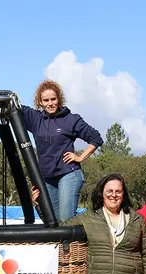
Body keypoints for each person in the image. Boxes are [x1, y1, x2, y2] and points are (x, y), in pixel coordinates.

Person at [21, 80, 104, 222]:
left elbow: (96, 138)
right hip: (47, 177)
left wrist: (80, 157)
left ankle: (82, 236)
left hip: (68, 173)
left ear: (59, 99)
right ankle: (65, 244)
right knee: (54, 220)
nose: (50, 103)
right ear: (40, 102)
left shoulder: (71, 120)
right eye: (46, 100)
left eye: (53, 99)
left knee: (66, 219)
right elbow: (14, 106)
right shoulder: (35, 119)